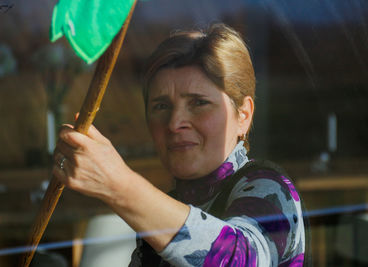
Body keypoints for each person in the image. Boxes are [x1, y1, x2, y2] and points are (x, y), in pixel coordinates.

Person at [53, 23, 306, 267]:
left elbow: (242, 259)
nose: (174, 123)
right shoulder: (162, 216)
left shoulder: (270, 188)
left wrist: (118, 184)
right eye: (161, 106)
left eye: (199, 103)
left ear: (244, 115)